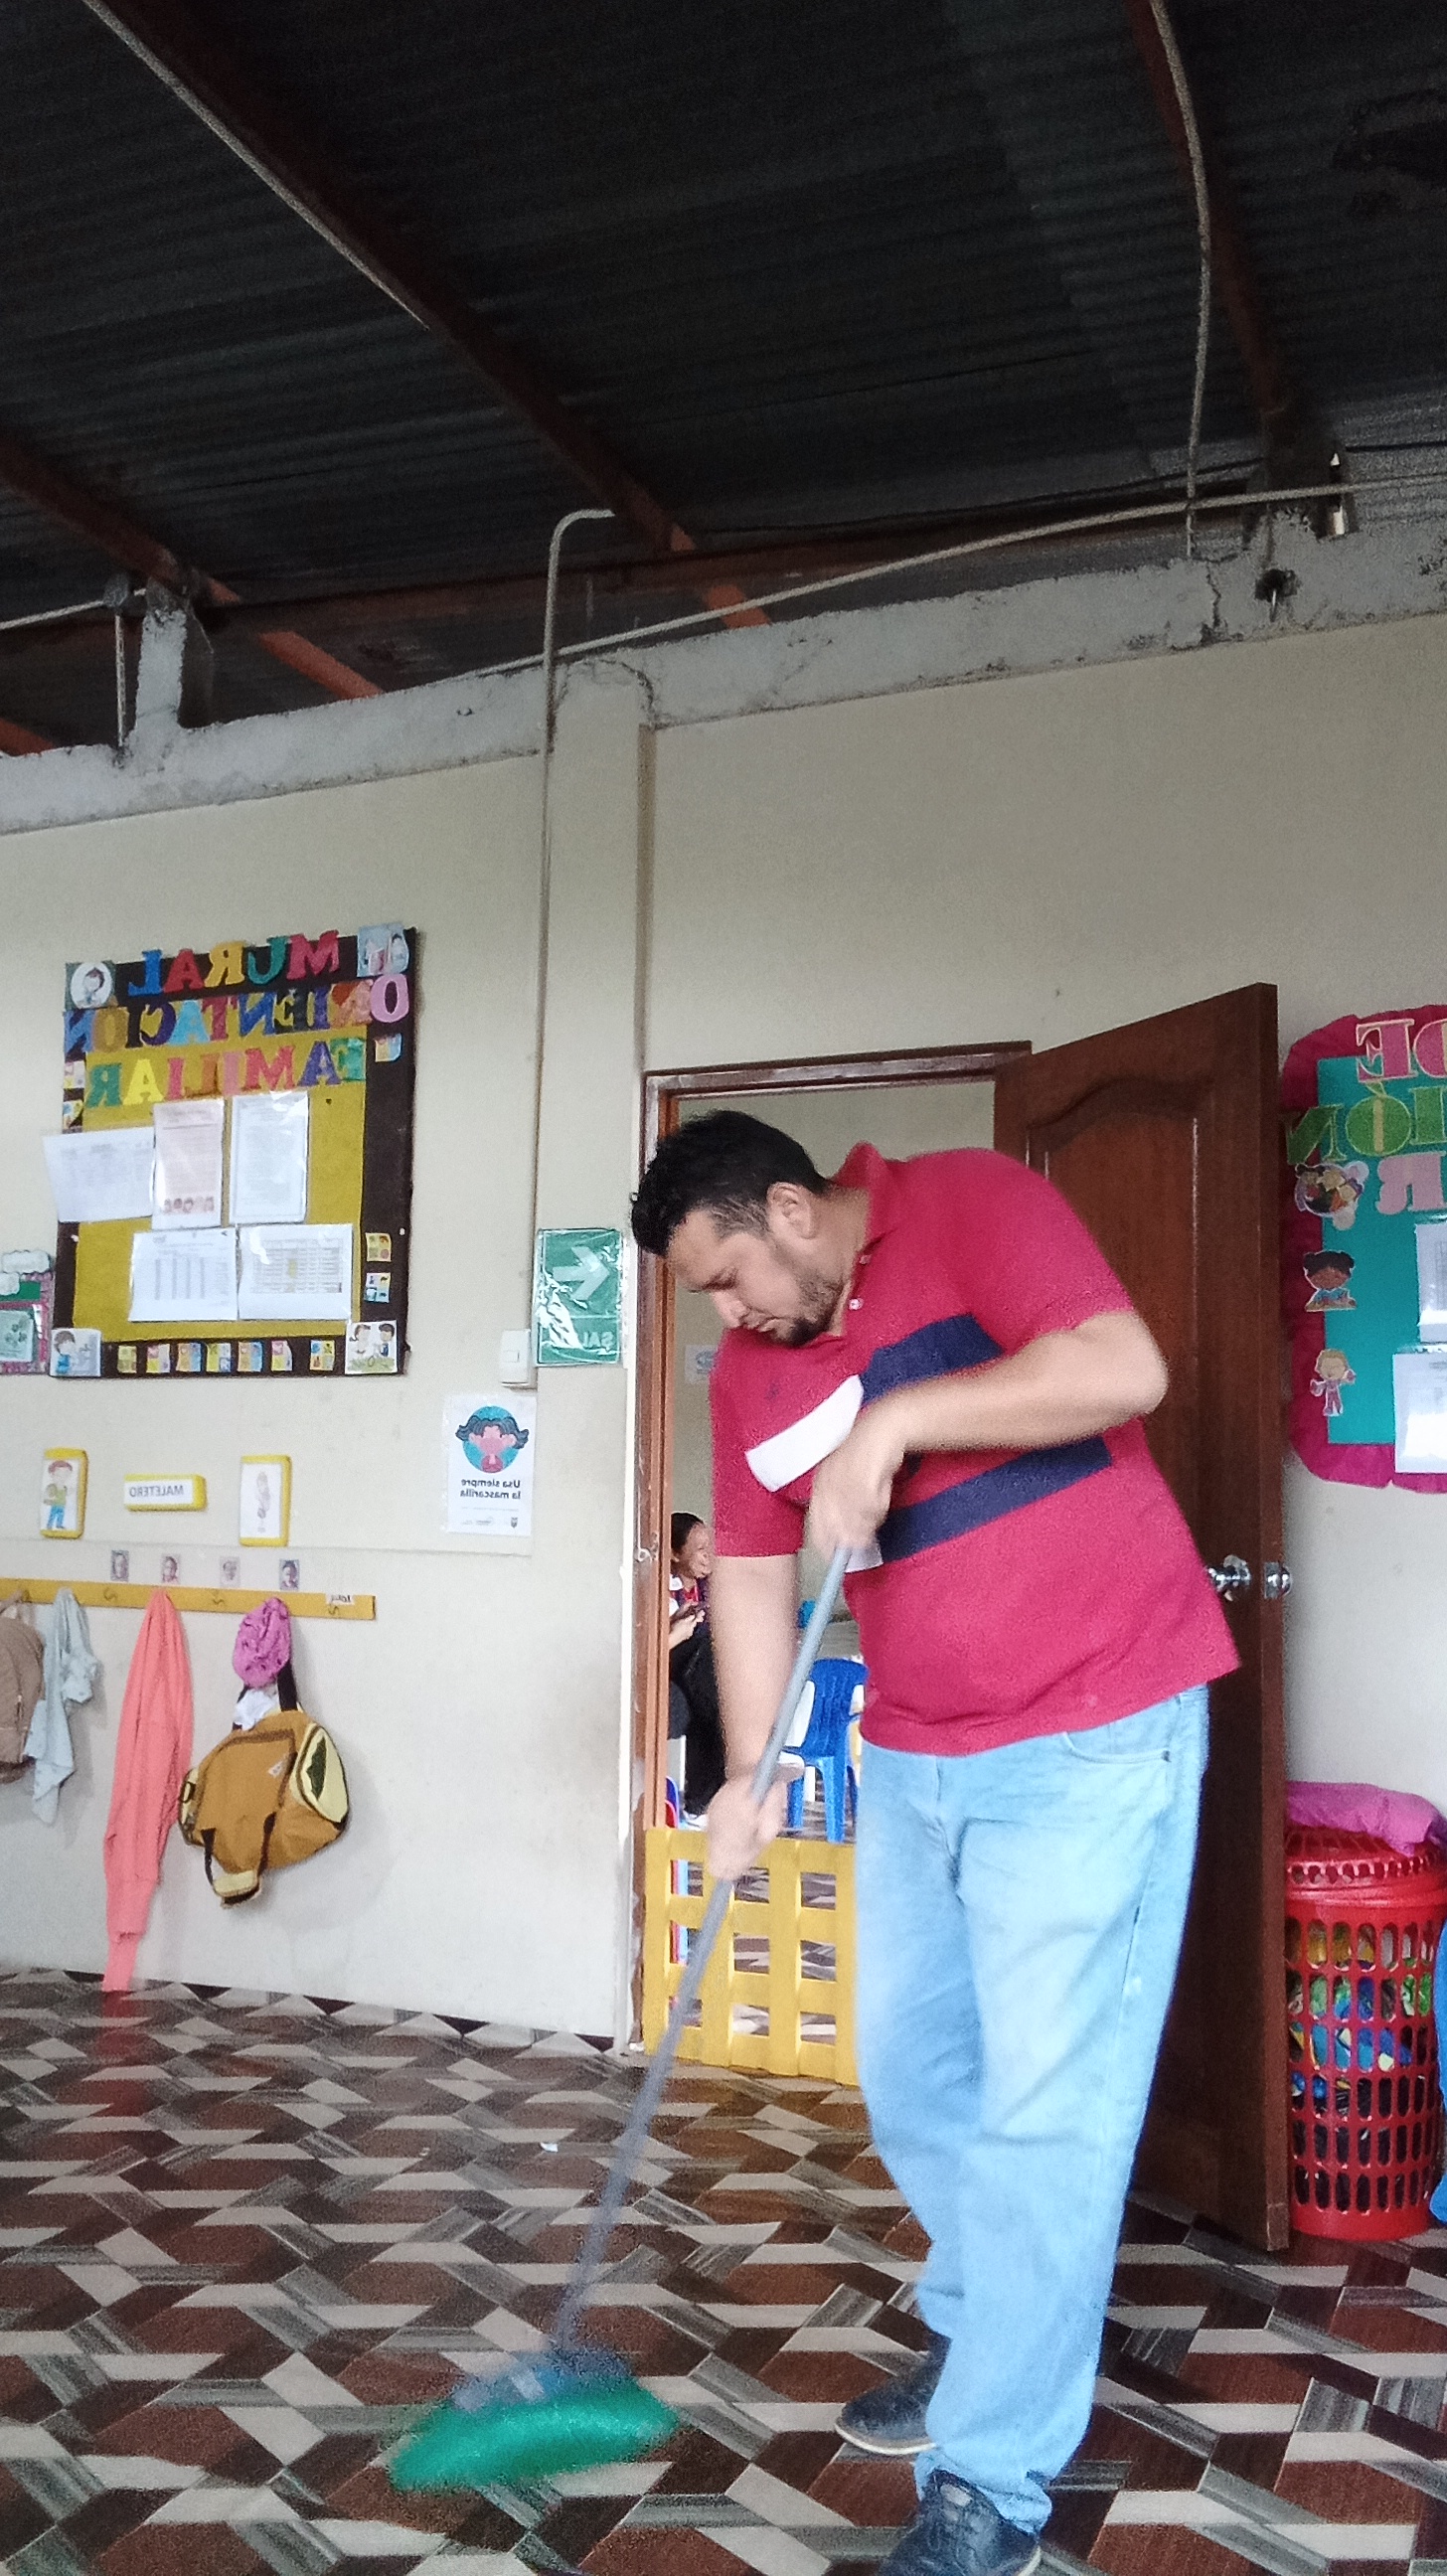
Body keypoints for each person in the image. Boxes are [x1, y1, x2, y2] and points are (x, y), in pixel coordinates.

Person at [630, 1111, 1235, 2576]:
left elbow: (1122, 1368)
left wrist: (895, 1424)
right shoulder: (752, 1373)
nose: (727, 1315)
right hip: (913, 1754)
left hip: (1095, 1732)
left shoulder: (967, 1204)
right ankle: (991, 2334)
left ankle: (994, 2477)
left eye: (727, 1278)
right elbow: (753, 1577)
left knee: (1046, 2116)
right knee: (912, 2074)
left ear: (791, 1210)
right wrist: (752, 1773)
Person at [667, 1512, 726, 1816]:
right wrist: (677, 1629)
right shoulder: (661, 1588)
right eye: (700, 1549)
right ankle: (702, 1802)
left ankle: (705, 1801)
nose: (709, 1556)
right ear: (675, 1554)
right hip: (677, 1670)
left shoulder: (712, 1587)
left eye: (711, 1547)